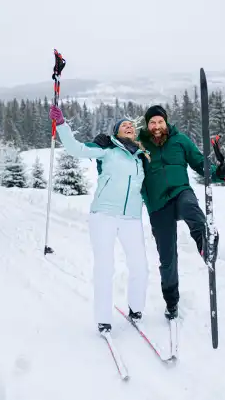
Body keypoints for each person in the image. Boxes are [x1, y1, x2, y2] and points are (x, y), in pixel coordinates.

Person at [49, 105, 151, 334]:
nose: (128, 126)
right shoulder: (107, 150)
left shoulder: (140, 158)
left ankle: (136, 309)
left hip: (131, 218)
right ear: (116, 132)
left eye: (131, 126)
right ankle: (103, 319)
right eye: (123, 125)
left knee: (140, 267)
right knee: (105, 267)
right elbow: (76, 149)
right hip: (103, 214)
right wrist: (62, 124)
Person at [136, 105, 225, 321]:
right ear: (147, 125)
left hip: (180, 192)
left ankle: (205, 244)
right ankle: (171, 302)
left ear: (166, 123)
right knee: (168, 258)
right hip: (158, 204)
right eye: (152, 123)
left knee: (191, 207)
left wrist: (218, 173)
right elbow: (123, 158)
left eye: (160, 122)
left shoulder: (180, 140)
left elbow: (200, 164)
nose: (157, 126)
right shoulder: (141, 145)